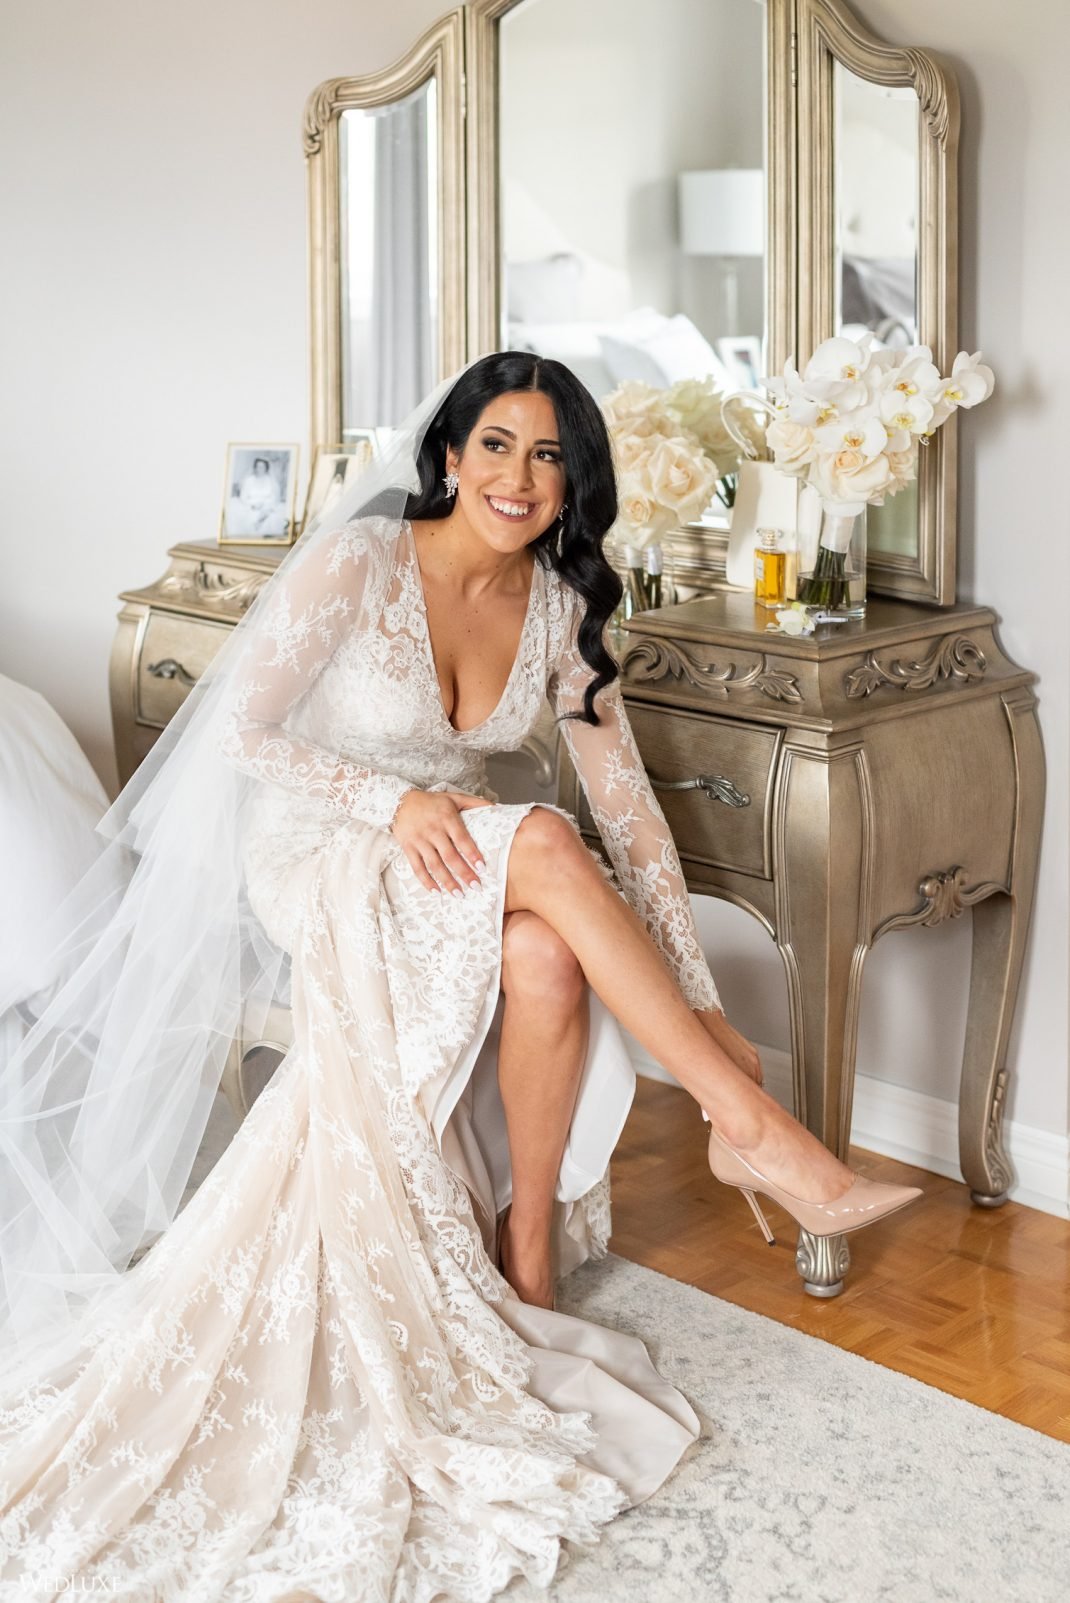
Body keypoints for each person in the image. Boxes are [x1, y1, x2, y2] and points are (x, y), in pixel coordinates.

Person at [0, 352, 919, 1599]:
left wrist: (702, 995)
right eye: (495, 445)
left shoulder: (558, 606)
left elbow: (629, 811)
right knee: (537, 841)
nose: (517, 476)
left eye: (547, 456)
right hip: (326, 843)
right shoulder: (360, 563)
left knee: (543, 945)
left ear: (571, 485)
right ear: (448, 456)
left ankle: (527, 1250)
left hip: (448, 856)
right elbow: (242, 732)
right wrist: (391, 801)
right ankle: (745, 1122)